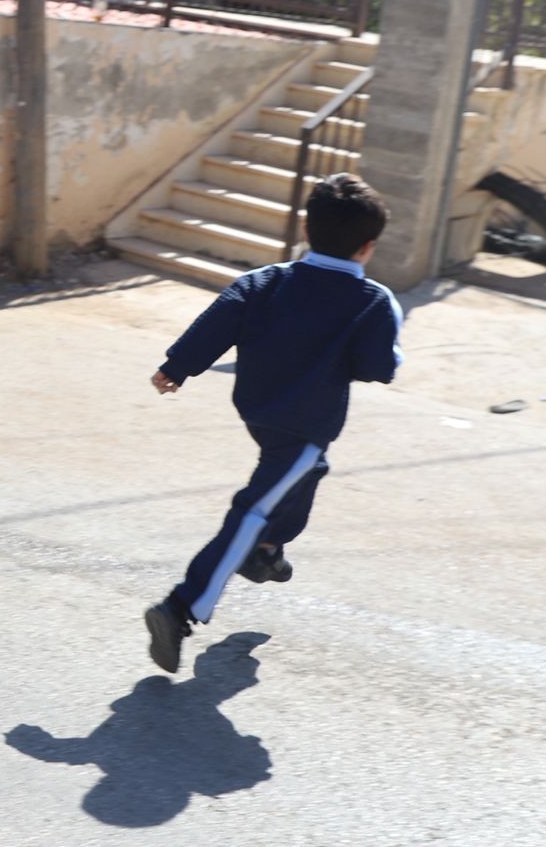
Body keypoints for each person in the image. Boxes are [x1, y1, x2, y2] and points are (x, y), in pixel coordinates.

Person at [141, 173, 404, 674]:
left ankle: (263, 552)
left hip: (258, 411)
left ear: (306, 228)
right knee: (255, 508)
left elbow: (219, 320)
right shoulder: (372, 301)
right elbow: (379, 368)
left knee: (305, 473)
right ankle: (181, 607)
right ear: (368, 246)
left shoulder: (264, 281)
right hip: (305, 423)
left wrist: (177, 366)